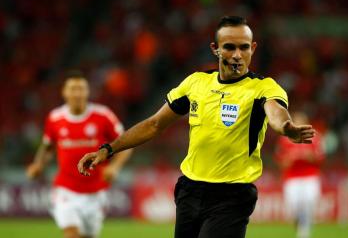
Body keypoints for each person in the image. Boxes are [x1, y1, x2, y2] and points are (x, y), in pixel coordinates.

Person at [78, 16, 315, 238]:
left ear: (253, 48)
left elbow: (275, 113)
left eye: (244, 47)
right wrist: (107, 149)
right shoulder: (196, 84)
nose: (237, 55)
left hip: (232, 195)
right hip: (190, 191)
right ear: (216, 49)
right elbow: (154, 124)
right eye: (230, 47)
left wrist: (287, 127)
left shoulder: (263, 88)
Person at [26, 71, 132, 238]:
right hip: (66, 189)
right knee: (72, 234)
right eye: (73, 88)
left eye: (81, 88)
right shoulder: (55, 118)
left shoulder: (103, 115)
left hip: (96, 191)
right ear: (64, 92)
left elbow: (126, 144)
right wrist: (39, 164)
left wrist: (114, 167)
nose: (77, 93)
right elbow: (48, 147)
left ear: (88, 92)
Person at [275, 112, 325, 238]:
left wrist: (309, 156)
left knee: (309, 202)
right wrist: (292, 158)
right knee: (293, 205)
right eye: (296, 121)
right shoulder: (284, 139)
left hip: (310, 176)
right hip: (292, 178)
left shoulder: (315, 137)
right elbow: (281, 163)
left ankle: (304, 232)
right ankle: (298, 222)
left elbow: (321, 159)